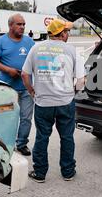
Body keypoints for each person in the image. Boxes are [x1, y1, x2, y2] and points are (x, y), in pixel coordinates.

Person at [22, 18, 85, 183]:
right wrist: (73, 92)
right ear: (62, 33)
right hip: (65, 102)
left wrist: (31, 91)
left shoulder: (36, 48)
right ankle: (68, 172)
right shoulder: (71, 50)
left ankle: (40, 173)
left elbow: (24, 74)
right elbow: (81, 79)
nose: (68, 34)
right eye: (67, 31)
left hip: (43, 103)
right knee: (67, 137)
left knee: (42, 137)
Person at [0, 14, 35, 156]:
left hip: (27, 88)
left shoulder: (30, 42)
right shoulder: (0, 42)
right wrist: (8, 70)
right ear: (10, 26)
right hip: (7, 88)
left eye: (23, 24)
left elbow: (35, 61)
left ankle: (21, 143)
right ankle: (6, 144)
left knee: (26, 118)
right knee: (8, 117)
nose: (22, 27)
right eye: (19, 24)